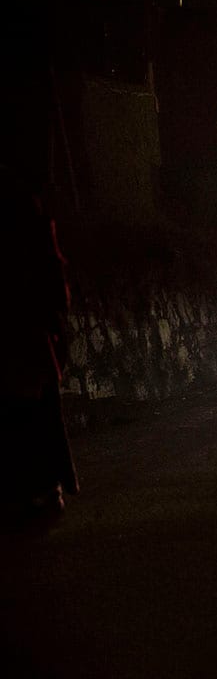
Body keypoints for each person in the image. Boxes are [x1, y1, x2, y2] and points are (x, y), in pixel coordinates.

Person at [2, 184, 79, 521]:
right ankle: (47, 489)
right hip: (29, 335)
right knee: (39, 412)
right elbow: (54, 282)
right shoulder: (30, 218)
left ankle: (37, 491)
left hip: (23, 336)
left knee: (26, 411)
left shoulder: (26, 218)